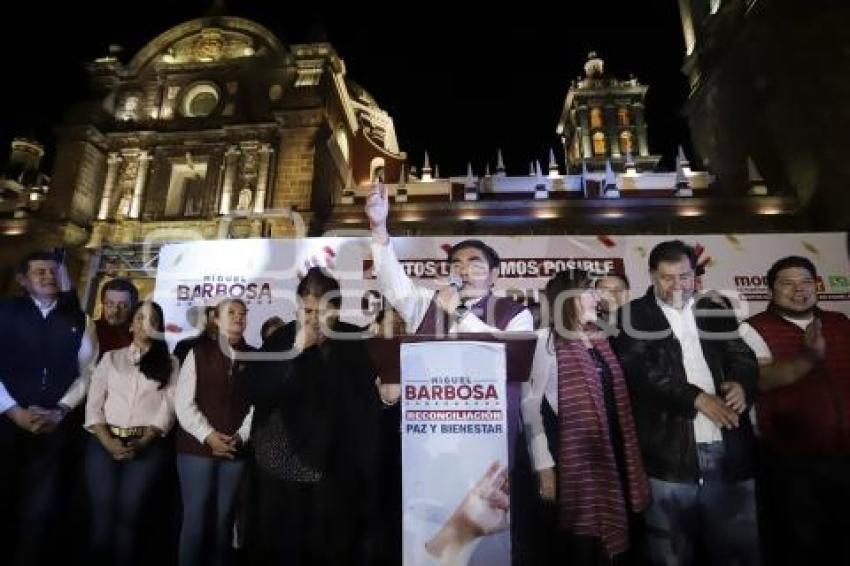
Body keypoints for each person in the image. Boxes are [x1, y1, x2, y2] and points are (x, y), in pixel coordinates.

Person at [365, 180, 534, 561]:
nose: (464, 271)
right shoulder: (428, 302)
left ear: (493, 275)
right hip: (430, 436)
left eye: (475, 264)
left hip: (488, 440)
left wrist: (455, 312)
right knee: (427, 529)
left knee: (486, 532)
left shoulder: (514, 312)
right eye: (456, 264)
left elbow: (503, 351)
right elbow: (392, 283)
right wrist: (379, 229)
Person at [614, 240, 760, 565]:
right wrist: (696, 398)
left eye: (684, 276)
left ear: (695, 275)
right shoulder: (631, 315)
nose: (677, 286)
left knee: (738, 550)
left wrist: (741, 383)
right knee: (671, 554)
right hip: (668, 453)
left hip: (729, 447)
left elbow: (743, 355)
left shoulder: (714, 309)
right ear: (651, 275)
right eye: (667, 278)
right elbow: (640, 372)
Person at [246, 267, 380, 565]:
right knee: (285, 543)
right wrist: (296, 349)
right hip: (283, 461)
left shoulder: (355, 340)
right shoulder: (281, 339)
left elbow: (366, 403)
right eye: (307, 310)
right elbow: (258, 390)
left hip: (337, 465)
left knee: (333, 543)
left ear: (337, 309)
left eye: (324, 311)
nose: (314, 319)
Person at [522, 270, 650, 564]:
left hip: (614, 452)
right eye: (590, 291)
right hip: (574, 458)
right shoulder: (545, 341)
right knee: (584, 547)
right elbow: (530, 407)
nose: (598, 297)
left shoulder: (602, 337)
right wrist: (543, 466)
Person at [739, 256, 850, 563]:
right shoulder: (752, 329)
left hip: (844, 455)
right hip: (790, 460)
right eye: (787, 283)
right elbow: (761, 380)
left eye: (805, 282)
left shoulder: (840, 322)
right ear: (771, 289)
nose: (798, 290)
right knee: (799, 544)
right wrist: (809, 358)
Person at [0, 251, 97, 566]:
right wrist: (13, 410)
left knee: (39, 508)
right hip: (6, 423)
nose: (48, 276)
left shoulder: (79, 320)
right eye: (39, 271)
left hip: (53, 428)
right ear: (23, 280)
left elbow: (87, 374)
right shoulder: (5, 312)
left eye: (54, 271)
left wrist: (61, 410)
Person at [84, 300, 178, 566]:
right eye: (139, 317)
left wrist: (142, 443)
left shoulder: (171, 363)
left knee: (130, 514)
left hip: (146, 446)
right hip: (102, 444)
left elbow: (167, 409)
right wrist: (107, 441)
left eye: (152, 319)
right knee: (102, 514)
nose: (144, 323)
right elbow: (94, 403)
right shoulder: (110, 357)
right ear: (131, 324)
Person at [174, 298, 255, 566]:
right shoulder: (197, 353)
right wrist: (208, 435)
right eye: (231, 312)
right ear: (216, 319)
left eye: (242, 313)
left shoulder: (255, 357)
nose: (238, 317)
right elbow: (183, 403)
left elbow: (257, 405)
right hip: (196, 450)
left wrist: (241, 436)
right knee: (196, 519)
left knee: (225, 520)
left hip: (235, 449)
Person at [94, 278, 139, 359]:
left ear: (133, 308)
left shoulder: (140, 339)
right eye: (110, 304)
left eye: (123, 305)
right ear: (102, 304)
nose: (115, 310)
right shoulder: (88, 331)